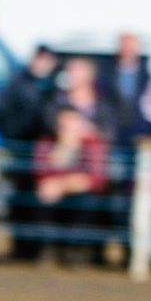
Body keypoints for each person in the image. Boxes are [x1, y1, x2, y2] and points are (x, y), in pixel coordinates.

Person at [25, 104, 109, 262]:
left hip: (80, 197)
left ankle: (75, 250)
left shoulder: (93, 143)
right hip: (53, 196)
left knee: (87, 202)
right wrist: (61, 151)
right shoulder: (47, 142)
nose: (67, 129)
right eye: (63, 125)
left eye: (72, 124)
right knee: (43, 196)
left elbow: (96, 179)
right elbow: (40, 173)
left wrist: (62, 184)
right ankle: (47, 248)